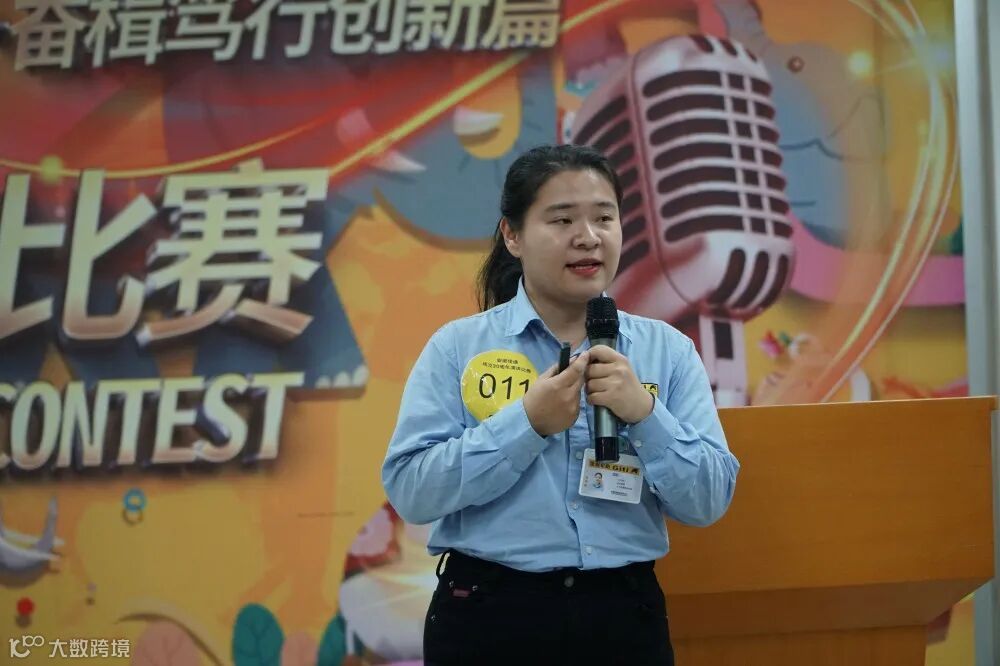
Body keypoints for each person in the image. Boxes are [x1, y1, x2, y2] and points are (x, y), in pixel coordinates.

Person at [381, 144, 740, 665]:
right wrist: (526, 425)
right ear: (513, 235)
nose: (588, 237)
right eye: (563, 219)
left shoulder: (668, 350)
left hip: (622, 614)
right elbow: (412, 492)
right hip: (489, 612)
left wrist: (645, 415)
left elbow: (708, 501)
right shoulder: (459, 347)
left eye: (604, 218)